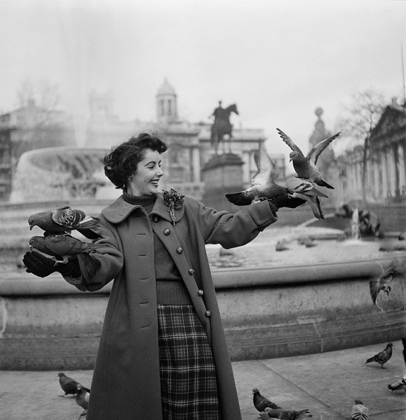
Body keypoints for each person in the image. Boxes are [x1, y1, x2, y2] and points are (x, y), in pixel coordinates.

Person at [23, 132, 305, 420]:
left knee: (196, 407)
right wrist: (65, 265)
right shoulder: (109, 219)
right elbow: (103, 264)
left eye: (160, 164)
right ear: (130, 172)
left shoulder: (185, 207)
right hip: (137, 330)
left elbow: (230, 228)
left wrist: (272, 204)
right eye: (151, 166)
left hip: (189, 323)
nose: (160, 172)